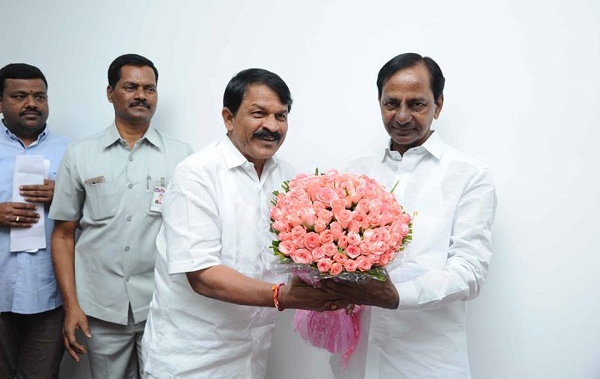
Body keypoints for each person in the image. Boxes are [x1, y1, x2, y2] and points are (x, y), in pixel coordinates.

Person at [141, 68, 398, 378]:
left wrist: (346, 274)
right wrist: (281, 296)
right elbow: (202, 275)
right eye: (259, 114)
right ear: (228, 118)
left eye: (281, 116)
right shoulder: (196, 175)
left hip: (252, 353)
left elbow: (307, 251)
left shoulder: (287, 178)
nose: (272, 126)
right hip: (190, 358)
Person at [328, 53, 497, 378]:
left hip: (426, 363)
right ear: (379, 102)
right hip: (356, 362)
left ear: (438, 104)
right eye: (391, 104)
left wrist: (397, 296)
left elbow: (470, 271)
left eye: (416, 104)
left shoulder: (469, 175)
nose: (402, 116)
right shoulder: (355, 171)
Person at [50, 54, 193, 379]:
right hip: (100, 307)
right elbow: (63, 235)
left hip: (162, 304)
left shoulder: (181, 156)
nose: (141, 95)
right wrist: (71, 305)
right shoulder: (80, 154)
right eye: (131, 87)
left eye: (149, 89)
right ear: (110, 92)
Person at [0, 63, 69, 378]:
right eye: (20, 96)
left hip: (48, 294)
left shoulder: (71, 151)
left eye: (40, 96)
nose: (32, 103)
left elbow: (94, 214)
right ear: (1, 102)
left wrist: (64, 196)